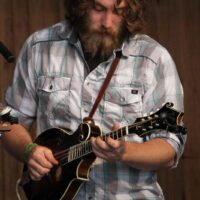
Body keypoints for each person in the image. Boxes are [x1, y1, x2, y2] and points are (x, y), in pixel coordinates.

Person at [1, 0, 186, 199]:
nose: (107, 22)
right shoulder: (39, 47)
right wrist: (29, 151)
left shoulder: (154, 58)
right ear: (79, 6)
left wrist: (124, 152)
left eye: (119, 11)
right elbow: (9, 122)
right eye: (98, 9)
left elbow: (170, 147)